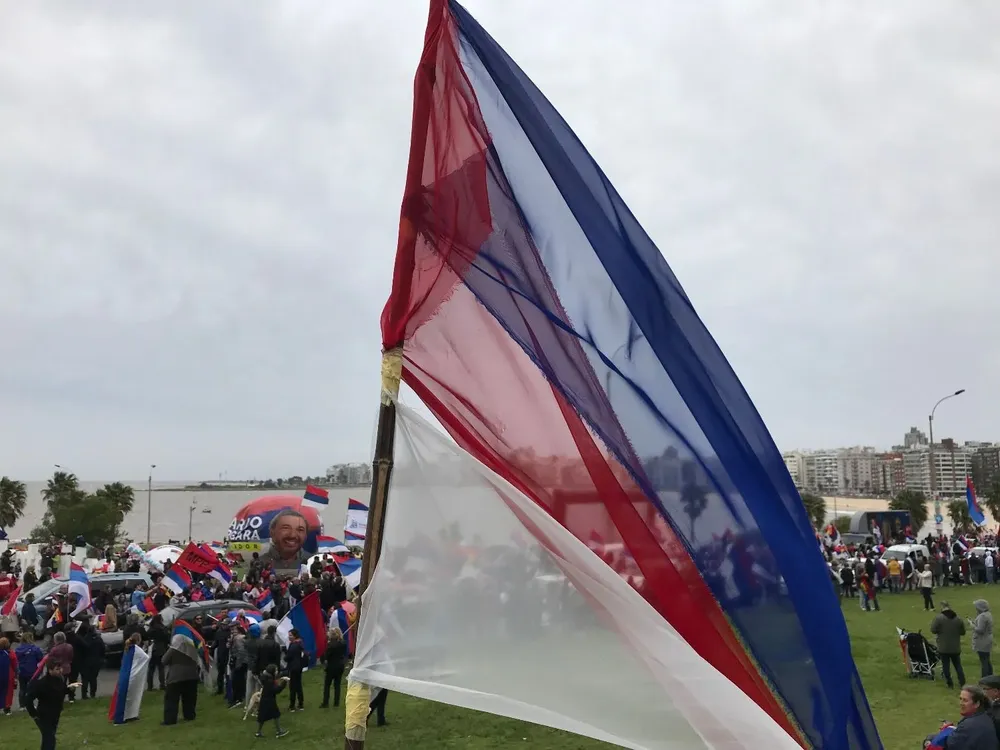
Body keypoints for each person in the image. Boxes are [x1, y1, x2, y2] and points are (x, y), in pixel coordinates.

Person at [25, 661, 81, 750]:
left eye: (60, 668)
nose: (60, 671)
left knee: (49, 738)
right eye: (57, 669)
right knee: (50, 739)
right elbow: (28, 699)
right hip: (43, 715)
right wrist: (34, 714)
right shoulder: (41, 683)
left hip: (55, 713)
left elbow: (60, 692)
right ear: (50, 670)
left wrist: (70, 688)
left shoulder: (59, 679)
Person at [161, 633, 201, 725]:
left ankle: (170, 719)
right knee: (189, 698)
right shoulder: (192, 649)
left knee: (171, 699)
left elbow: (164, 660)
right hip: (191, 675)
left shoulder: (174, 649)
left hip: (176, 677)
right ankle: (189, 715)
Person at [259, 509, 313, 576]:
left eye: (300, 530)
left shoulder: (312, 562)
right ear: (272, 532)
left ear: (306, 535)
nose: (292, 535)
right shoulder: (259, 563)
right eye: (286, 528)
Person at [947, 685, 999, 750]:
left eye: (965, 700)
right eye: (960, 699)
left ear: (977, 704)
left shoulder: (970, 725)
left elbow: (952, 744)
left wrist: (945, 731)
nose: (961, 703)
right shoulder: (983, 716)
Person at [932, 600, 968, 689]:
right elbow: (963, 632)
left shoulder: (939, 618)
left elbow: (933, 630)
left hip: (943, 647)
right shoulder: (958, 619)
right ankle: (962, 682)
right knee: (958, 665)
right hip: (955, 647)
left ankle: (949, 683)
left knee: (946, 665)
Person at [255, 664, 290, 739]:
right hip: (269, 701)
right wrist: (284, 683)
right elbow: (276, 690)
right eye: (276, 670)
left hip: (264, 700)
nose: (277, 671)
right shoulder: (269, 681)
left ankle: (258, 732)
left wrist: (281, 677)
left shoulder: (265, 678)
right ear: (272, 672)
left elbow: (275, 679)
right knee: (276, 715)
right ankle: (279, 731)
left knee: (262, 717)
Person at [15, 631, 44, 710]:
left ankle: (22, 705)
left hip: (21, 671)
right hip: (32, 671)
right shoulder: (35, 649)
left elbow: (15, 660)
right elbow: (41, 659)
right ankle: (30, 705)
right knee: (31, 689)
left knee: (22, 689)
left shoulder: (18, 649)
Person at [77, 621, 106, 700]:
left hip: (85, 662)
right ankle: (93, 694)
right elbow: (103, 649)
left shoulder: (84, 639)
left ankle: (84, 695)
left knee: (85, 679)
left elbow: (81, 651)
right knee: (93, 679)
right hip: (96, 661)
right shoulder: (98, 639)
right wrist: (102, 658)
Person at [320, 627, 347, 708]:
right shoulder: (343, 643)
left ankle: (325, 702)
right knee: (337, 685)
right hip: (340, 665)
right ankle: (336, 703)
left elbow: (327, 656)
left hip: (332, 666)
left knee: (327, 685)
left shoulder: (331, 645)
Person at [145, 615, 169, 691]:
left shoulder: (151, 629)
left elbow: (146, 637)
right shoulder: (163, 628)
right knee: (161, 668)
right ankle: (162, 685)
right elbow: (167, 639)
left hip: (152, 649)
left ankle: (150, 686)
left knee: (151, 669)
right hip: (161, 649)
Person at [971, 600, 995, 678]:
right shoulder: (988, 614)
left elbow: (980, 630)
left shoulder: (982, 616)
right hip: (987, 639)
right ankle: (990, 677)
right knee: (987, 660)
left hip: (982, 641)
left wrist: (973, 626)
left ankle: (984, 679)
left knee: (984, 661)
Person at [285, 628, 305, 712]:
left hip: (293, 667)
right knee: (298, 686)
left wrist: (285, 654)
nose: (289, 637)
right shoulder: (300, 643)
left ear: (295, 636)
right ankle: (301, 704)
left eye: (290, 635)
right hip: (299, 667)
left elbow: (288, 657)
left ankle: (292, 706)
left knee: (292, 687)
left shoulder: (293, 645)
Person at [229, 627, 249, 710]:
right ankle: (241, 696)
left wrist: (238, 664)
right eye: (232, 630)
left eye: (234, 630)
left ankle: (237, 699)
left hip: (239, 662)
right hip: (244, 662)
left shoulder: (238, 638)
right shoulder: (241, 637)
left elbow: (241, 651)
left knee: (236, 681)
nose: (233, 631)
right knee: (241, 680)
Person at [0, 637, 16, 715]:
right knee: (8, 692)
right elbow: (15, 664)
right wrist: (16, 674)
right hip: (8, 675)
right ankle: (7, 708)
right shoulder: (10, 653)